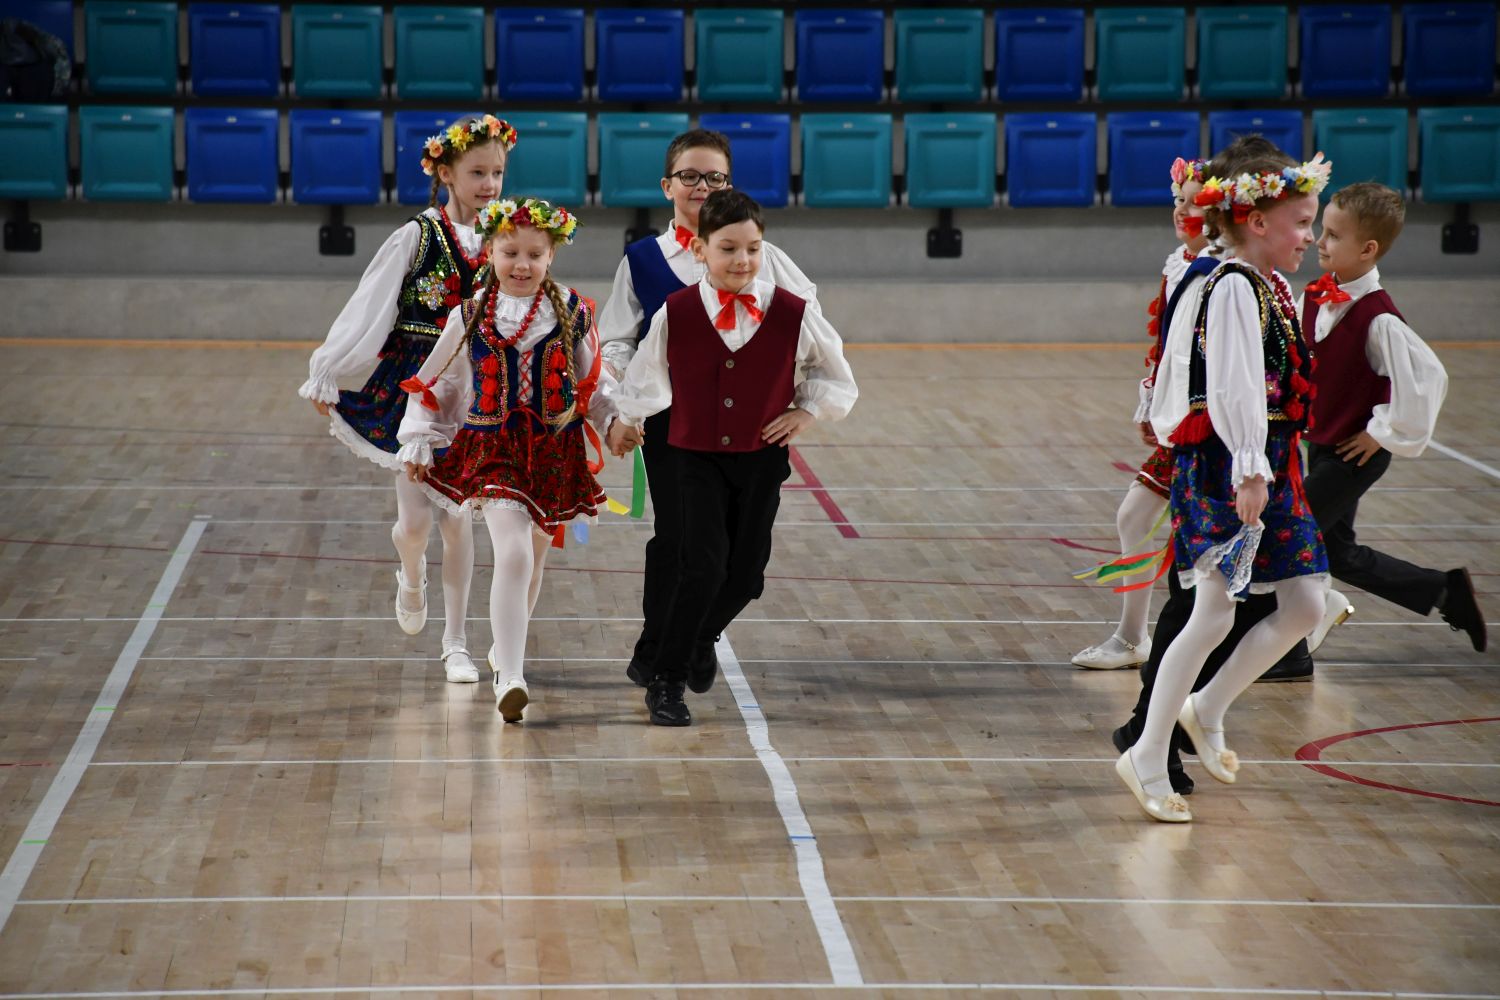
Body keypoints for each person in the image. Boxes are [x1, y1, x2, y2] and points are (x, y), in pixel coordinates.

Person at [1118, 149, 1333, 822]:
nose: (1309, 236)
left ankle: (1205, 708)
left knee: (1308, 603)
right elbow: (1233, 384)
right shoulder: (1234, 284)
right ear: (1258, 221)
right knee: (1212, 612)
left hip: (1271, 459)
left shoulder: (1272, 285)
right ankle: (1147, 753)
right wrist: (1248, 466)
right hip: (1229, 464)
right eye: (1302, 222)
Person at [606, 190, 857, 727]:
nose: (742, 260)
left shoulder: (792, 311)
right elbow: (647, 376)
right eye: (728, 248)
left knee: (746, 576)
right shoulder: (676, 312)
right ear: (700, 250)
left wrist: (807, 411)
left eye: (752, 248)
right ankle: (667, 681)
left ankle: (699, 637)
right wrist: (626, 419)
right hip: (693, 458)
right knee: (702, 565)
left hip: (761, 458)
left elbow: (834, 373)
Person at [299, 115, 518, 684]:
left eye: (497, 172)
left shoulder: (508, 238)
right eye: (477, 172)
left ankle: (456, 643)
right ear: (445, 173)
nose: (490, 184)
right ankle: (410, 571)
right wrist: (330, 368)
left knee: (459, 520)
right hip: (416, 386)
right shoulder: (417, 236)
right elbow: (371, 303)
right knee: (416, 524)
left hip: (475, 390)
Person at [396, 197, 618, 723]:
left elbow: (595, 382)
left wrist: (615, 423)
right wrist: (420, 437)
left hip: (554, 451)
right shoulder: (470, 314)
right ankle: (511, 677)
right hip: (493, 448)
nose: (522, 265)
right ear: (490, 252)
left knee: (535, 559)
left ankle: (505, 648)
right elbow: (438, 380)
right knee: (514, 552)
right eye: (510, 253)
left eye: (534, 255)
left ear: (551, 255)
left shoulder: (573, 312)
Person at [1297, 182, 1484, 654]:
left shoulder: (1379, 318)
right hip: (1322, 442)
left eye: (1333, 235)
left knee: (1290, 536)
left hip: (1354, 453)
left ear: (1368, 249)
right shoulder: (1314, 298)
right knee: (1337, 552)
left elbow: (1427, 377)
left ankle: (1288, 650)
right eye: (1322, 229)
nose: (1320, 240)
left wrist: (1380, 433)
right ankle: (1444, 591)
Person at [1075, 156, 1215, 670]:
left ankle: (1306, 606)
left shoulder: (1227, 274)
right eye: (1178, 200)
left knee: (1233, 542)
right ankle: (1133, 637)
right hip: (1181, 423)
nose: (1181, 210)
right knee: (1135, 517)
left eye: (1194, 203)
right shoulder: (1179, 264)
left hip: (1214, 428)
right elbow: (1166, 345)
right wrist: (1151, 401)